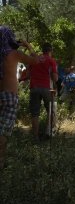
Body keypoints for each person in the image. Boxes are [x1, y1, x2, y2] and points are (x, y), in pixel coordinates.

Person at [0, 25, 38, 169]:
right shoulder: (14, 54)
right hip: (9, 96)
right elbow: (35, 61)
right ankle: (1, 162)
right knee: (3, 131)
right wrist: (28, 46)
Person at [29, 43, 58, 141]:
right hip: (46, 88)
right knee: (51, 110)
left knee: (35, 113)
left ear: (42, 50)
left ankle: (35, 137)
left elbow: (29, 73)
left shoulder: (35, 58)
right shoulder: (51, 60)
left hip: (34, 87)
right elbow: (55, 78)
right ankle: (48, 133)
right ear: (51, 51)